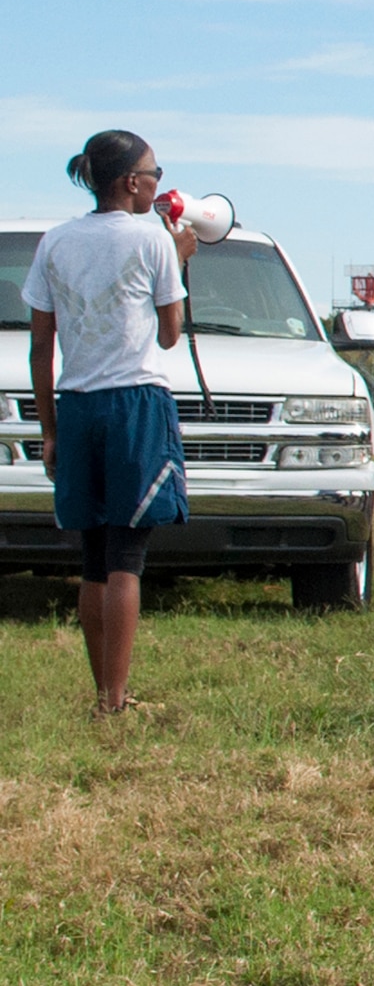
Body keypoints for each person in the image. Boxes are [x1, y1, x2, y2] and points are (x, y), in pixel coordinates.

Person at [24, 129, 198, 718]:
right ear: (130, 182)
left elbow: (40, 344)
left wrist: (49, 429)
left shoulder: (55, 241)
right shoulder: (152, 242)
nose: (158, 181)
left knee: (93, 557)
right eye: (153, 172)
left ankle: (106, 694)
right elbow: (171, 335)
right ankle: (114, 702)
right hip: (134, 406)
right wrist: (180, 262)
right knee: (127, 557)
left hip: (76, 405)